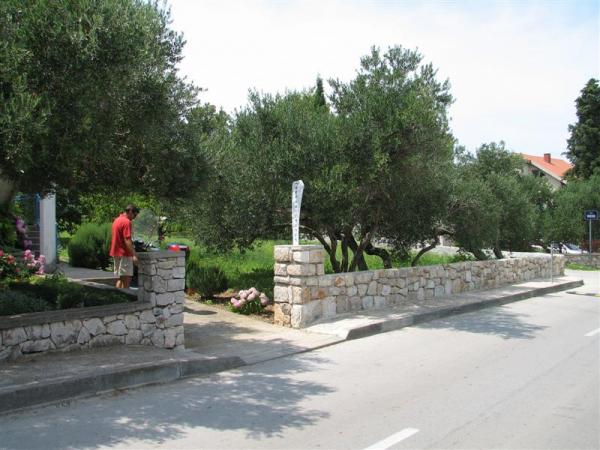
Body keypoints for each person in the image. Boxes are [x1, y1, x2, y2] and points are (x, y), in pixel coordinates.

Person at [110, 204, 140, 288]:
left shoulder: (117, 220)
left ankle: (117, 295)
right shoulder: (127, 222)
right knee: (127, 280)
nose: (134, 217)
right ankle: (126, 296)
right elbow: (127, 240)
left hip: (116, 253)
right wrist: (134, 254)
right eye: (134, 215)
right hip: (124, 254)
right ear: (130, 211)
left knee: (120, 279)